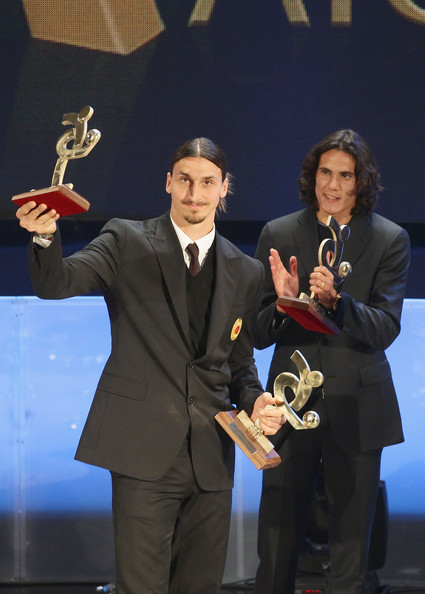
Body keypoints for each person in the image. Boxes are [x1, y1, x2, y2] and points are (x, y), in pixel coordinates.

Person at [15, 137, 285, 594]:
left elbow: (239, 365)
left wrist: (256, 400)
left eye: (207, 182)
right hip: (141, 451)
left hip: (211, 457)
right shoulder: (126, 240)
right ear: (168, 183)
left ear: (224, 188)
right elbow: (57, 283)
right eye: (185, 180)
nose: (194, 194)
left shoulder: (245, 269)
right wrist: (44, 236)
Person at [253, 129, 410, 594]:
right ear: (312, 175)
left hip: (356, 408)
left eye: (345, 175)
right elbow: (257, 334)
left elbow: (385, 328)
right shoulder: (279, 233)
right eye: (325, 172)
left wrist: (338, 304)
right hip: (288, 408)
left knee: (349, 551)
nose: (333, 185)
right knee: (276, 544)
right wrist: (285, 305)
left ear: (362, 182)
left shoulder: (389, 239)